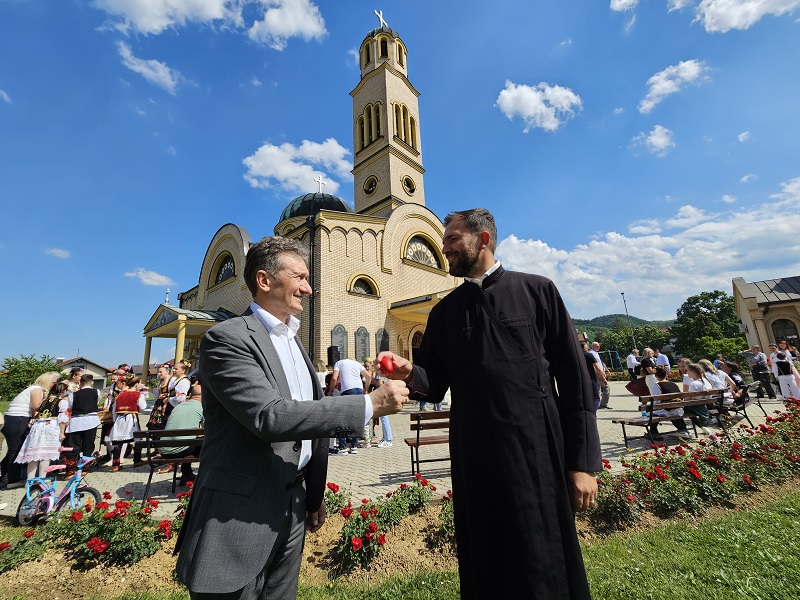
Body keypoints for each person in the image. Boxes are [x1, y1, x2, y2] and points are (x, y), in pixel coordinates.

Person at [377, 208, 600, 599]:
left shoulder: (537, 290)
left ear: (483, 240)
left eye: (451, 240)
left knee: (542, 549)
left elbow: (576, 380)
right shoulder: (444, 311)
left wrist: (582, 463)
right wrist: (411, 371)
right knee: (485, 553)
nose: (443, 248)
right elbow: (434, 383)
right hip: (473, 454)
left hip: (535, 451)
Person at [174, 235, 408, 598]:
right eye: (299, 277)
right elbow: (271, 417)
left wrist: (313, 496)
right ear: (265, 281)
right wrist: (369, 404)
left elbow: (310, 424)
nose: (309, 288)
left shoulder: (293, 340)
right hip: (238, 514)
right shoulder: (226, 339)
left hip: (294, 506)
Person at [0, 371, 60, 489]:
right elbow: (38, 406)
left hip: (15, 419)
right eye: (55, 383)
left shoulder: (33, 389)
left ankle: (5, 476)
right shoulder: (37, 389)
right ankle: (12, 479)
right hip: (17, 420)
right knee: (16, 450)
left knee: (14, 449)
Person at [14, 382, 69, 480]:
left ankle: (30, 480)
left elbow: (37, 414)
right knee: (45, 454)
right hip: (51, 426)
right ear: (63, 391)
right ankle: (41, 479)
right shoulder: (62, 402)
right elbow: (62, 419)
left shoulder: (44, 401)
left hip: (38, 426)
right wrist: (62, 433)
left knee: (34, 454)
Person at [160, 374, 205, 486]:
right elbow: (207, 429)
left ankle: (187, 475)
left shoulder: (179, 407)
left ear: (190, 394)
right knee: (206, 444)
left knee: (190, 440)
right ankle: (204, 477)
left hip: (164, 449)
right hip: (180, 449)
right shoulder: (202, 407)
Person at [328, 357, 372, 453]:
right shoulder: (357, 363)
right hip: (359, 389)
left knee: (344, 419)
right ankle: (354, 446)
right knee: (356, 418)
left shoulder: (338, 363)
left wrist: (330, 390)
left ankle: (342, 447)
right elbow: (368, 376)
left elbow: (334, 378)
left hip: (347, 390)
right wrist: (366, 389)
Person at [63, 373, 102, 477]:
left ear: (80, 382)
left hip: (77, 421)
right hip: (91, 420)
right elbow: (96, 402)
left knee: (73, 445)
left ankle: (70, 471)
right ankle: (84, 468)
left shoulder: (73, 394)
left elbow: (70, 406)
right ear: (92, 382)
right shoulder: (96, 392)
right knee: (88, 445)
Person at [109, 374, 147, 472]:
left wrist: (115, 420)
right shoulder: (138, 395)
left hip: (119, 419)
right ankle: (137, 460)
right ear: (136, 384)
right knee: (137, 439)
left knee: (118, 441)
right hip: (131, 418)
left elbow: (114, 410)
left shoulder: (120, 394)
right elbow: (143, 407)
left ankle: (115, 464)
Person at [649, 365, 692, 441]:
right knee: (672, 411)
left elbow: (656, 401)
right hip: (679, 408)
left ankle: (653, 432)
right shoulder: (673, 384)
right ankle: (683, 430)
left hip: (668, 409)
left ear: (655, 376)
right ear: (666, 375)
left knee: (652, 412)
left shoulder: (657, 385)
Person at [589, 341, 610, 409]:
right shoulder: (592, 353)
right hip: (598, 373)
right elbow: (595, 365)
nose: (599, 347)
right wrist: (600, 373)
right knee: (606, 387)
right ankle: (603, 404)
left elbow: (600, 363)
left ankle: (597, 403)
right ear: (593, 346)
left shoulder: (595, 353)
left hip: (599, 372)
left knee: (598, 388)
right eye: (597, 346)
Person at [582, 343, 601, 411]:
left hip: (582, 378)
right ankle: (593, 412)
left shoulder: (577, 355)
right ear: (584, 347)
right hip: (592, 377)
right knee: (596, 397)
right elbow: (597, 367)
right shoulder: (589, 354)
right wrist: (603, 378)